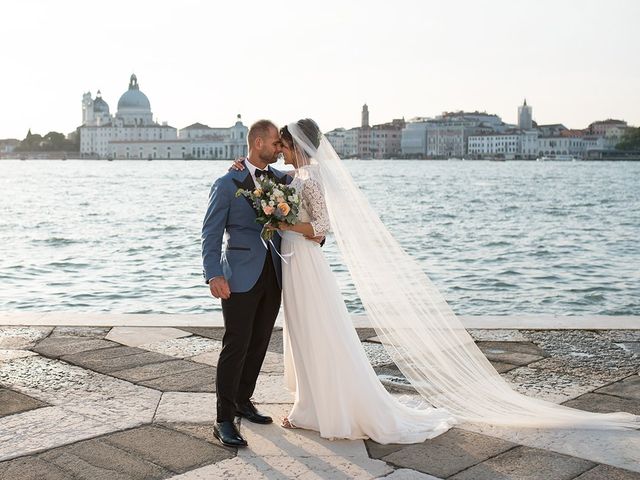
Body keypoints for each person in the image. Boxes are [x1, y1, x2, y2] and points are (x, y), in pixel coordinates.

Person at [231, 118, 638, 443]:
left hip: (307, 262)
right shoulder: (297, 178)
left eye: (282, 145)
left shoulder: (310, 178)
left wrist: (283, 220)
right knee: (304, 332)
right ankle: (312, 401)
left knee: (319, 331)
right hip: (296, 265)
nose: (279, 151)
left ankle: (322, 409)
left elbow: (319, 229)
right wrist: (253, 181)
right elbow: (271, 186)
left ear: (295, 145)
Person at [201, 120, 289, 448]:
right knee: (236, 344)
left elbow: (308, 186)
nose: (279, 148)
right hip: (238, 273)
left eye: (282, 144)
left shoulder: (281, 179)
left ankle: (243, 400)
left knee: (260, 342)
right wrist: (213, 274)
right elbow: (210, 232)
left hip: (274, 273)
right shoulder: (227, 182)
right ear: (257, 143)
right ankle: (223, 419)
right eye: (275, 143)